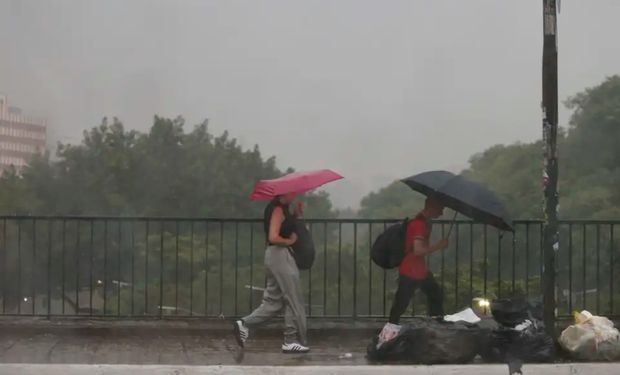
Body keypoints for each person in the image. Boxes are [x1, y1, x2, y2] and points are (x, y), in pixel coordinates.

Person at [233, 193, 309, 353]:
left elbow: (287, 228)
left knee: (273, 302)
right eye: (293, 192)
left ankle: (245, 324)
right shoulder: (277, 210)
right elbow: (273, 236)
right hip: (279, 255)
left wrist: (298, 215)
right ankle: (291, 340)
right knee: (293, 298)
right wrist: (290, 242)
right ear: (284, 192)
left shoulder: (284, 209)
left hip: (277, 256)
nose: (295, 195)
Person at [387, 196, 449, 326]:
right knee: (401, 304)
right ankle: (389, 332)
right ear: (431, 208)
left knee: (435, 294)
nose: (442, 212)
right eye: (440, 209)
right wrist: (438, 246)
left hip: (419, 270)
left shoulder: (423, 223)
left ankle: (436, 324)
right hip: (411, 271)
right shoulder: (419, 225)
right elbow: (418, 251)